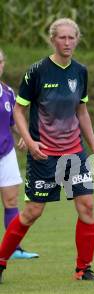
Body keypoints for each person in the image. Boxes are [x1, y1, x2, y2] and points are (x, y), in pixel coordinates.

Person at [0, 18, 94, 284]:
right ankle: (1, 260)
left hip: (74, 153)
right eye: (62, 38)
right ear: (52, 40)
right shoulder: (37, 71)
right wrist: (29, 140)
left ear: (77, 39)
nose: (67, 42)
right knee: (32, 212)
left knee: (87, 206)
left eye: (72, 38)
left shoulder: (80, 71)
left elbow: (81, 111)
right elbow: (19, 109)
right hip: (44, 155)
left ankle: (83, 269)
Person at [0, 49, 39, 260]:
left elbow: (15, 121)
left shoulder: (7, 92)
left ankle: (13, 249)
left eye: (0, 62)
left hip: (5, 154)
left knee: (11, 200)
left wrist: (25, 137)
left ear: (3, 64)